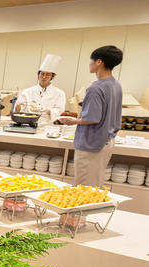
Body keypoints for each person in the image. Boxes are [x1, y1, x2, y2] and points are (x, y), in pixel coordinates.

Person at [61, 46, 123, 188]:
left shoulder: (96, 88)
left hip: (92, 144)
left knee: (85, 188)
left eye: (91, 60)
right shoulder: (116, 84)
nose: (90, 63)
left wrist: (71, 121)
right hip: (106, 141)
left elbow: (92, 118)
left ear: (99, 62)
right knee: (95, 185)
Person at [14, 54, 66, 125]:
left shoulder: (59, 93)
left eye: (48, 74)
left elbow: (59, 111)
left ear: (53, 76)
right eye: (42, 74)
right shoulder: (27, 92)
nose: (44, 77)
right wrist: (18, 106)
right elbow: (17, 112)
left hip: (47, 124)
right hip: (27, 123)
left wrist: (48, 111)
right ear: (38, 74)